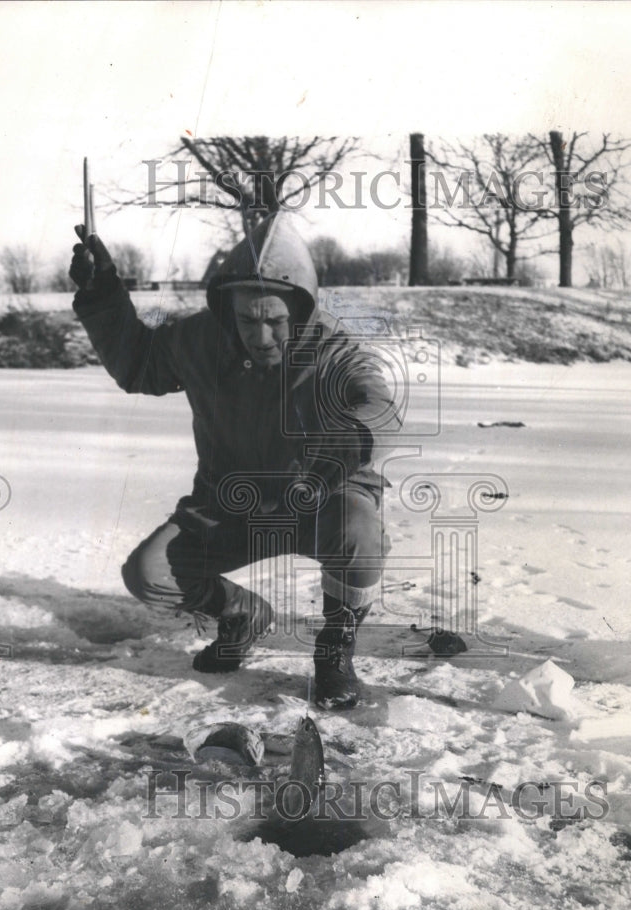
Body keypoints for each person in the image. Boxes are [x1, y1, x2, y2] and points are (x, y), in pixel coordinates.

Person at [69, 213, 400, 709]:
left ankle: (334, 650)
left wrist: (349, 440)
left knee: (360, 528)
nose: (261, 336)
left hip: (318, 499)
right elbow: (139, 364)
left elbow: (381, 405)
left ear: (301, 309)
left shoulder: (334, 351)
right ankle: (241, 615)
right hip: (230, 505)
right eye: (248, 320)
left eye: (275, 321)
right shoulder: (199, 340)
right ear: (228, 309)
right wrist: (102, 296)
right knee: (149, 572)